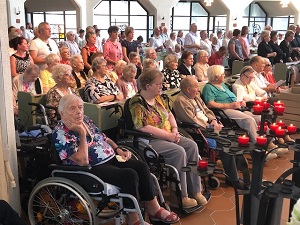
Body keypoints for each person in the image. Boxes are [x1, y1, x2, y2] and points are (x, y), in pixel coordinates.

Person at [52, 94, 179, 225]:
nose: (78, 112)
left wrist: (118, 149)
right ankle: (133, 219)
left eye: (80, 108)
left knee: (141, 166)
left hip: (111, 158)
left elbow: (104, 138)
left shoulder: (86, 120)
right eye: (72, 109)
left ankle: (154, 208)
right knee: (129, 175)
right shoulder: (60, 133)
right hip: (89, 169)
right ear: (62, 112)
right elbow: (82, 161)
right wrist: (82, 133)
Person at [129, 68, 208, 209]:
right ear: (147, 86)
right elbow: (142, 127)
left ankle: (195, 191)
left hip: (169, 135)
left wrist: (175, 130)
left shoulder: (159, 98)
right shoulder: (137, 102)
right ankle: (180, 196)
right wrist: (169, 136)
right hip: (150, 140)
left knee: (192, 146)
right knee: (178, 152)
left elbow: (170, 115)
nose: (161, 86)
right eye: (158, 84)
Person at [172, 76, 247, 189]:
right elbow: (192, 120)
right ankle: (233, 179)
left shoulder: (195, 97)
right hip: (198, 131)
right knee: (226, 143)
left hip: (210, 126)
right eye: (196, 87)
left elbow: (207, 110)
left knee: (233, 137)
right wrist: (210, 127)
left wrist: (214, 120)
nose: (198, 89)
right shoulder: (180, 101)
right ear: (188, 89)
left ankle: (232, 174)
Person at [201, 65, 259, 144]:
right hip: (225, 110)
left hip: (236, 107)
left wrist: (240, 102)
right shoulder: (208, 87)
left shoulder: (223, 85)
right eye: (222, 74)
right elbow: (210, 104)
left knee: (259, 118)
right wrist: (229, 105)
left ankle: (269, 143)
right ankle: (258, 145)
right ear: (216, 76)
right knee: (249, 120)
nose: (224, 75)